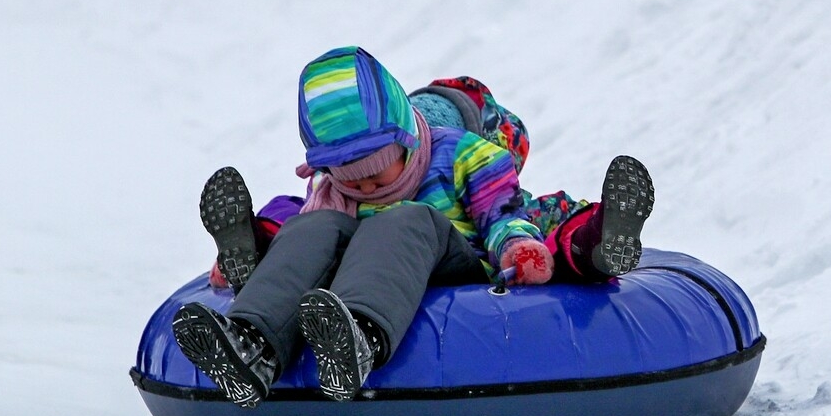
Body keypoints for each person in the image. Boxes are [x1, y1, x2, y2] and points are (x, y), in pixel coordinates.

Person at [173, 46, 654, 408]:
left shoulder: (462, 156)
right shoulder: (332, 189)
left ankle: (358, 340)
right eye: (350, 176)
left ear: (406, 138)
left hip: (452, 263)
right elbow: (301, 221)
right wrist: (258, 243)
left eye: (377, 169)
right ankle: (250, 345)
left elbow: (502, 212)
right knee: (314, 224)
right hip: (357, 276)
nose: (366, 184)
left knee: (401, 218)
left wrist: (517, 250)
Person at [202, 74, 640, 292]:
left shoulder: (350, 179)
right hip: (442, 248)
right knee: (551, 216)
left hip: (409, 251)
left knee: (296, 214)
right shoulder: (468, 160)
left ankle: (596, 240)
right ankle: (588, 239)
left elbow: (503, 219)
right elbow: (503, 214)